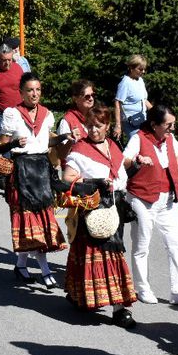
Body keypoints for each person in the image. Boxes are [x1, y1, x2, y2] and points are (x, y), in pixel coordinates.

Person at [62, 102, 138, 329]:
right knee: (100, 256)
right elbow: (68, 178)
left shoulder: (113, 146)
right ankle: (115, 308)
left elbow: (121, 175)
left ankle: (106, 303)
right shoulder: (80, 150)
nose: (93, 130)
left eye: (99, 125)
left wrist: (138, 166)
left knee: (114, 253)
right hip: (93, 209)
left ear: (108, 125)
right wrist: (94, 182)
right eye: (90, 126)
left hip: (116, 206)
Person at [0, 72, 67, 287]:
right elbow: (1, 145)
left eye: (37, 89)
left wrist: (64, 137)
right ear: (21, 92)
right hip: (22, 171)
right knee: (31, 222)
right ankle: (45, 270)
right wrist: (14, 143)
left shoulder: (47, 114)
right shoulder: (12, 113)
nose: (34, 94)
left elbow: (49, 141)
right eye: (29, 90)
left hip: (42, 170)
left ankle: (20, 265)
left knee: (40, 221)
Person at [122, 104, 178, 306]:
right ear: (154, 125)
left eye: (173, 124)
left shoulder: (170, 139)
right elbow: (125, 160)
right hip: (142, 198)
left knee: (176, 244)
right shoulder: (139, 138)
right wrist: (137, 159)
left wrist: (173, 171)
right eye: (168, 125)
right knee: (142, 245)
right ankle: (142, 287)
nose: (172, 128)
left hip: (167, 199)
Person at [113, 54, 152, 141]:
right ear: (131, 68)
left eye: (144, 69)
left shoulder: (140, 80)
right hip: (130, 122)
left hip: (142, 119)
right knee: (139, 144)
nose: (143, 71)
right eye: (140, 69)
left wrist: (156, 112)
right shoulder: (125, 83)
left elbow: (144, 100)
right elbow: (117, 103)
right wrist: (118, 125)